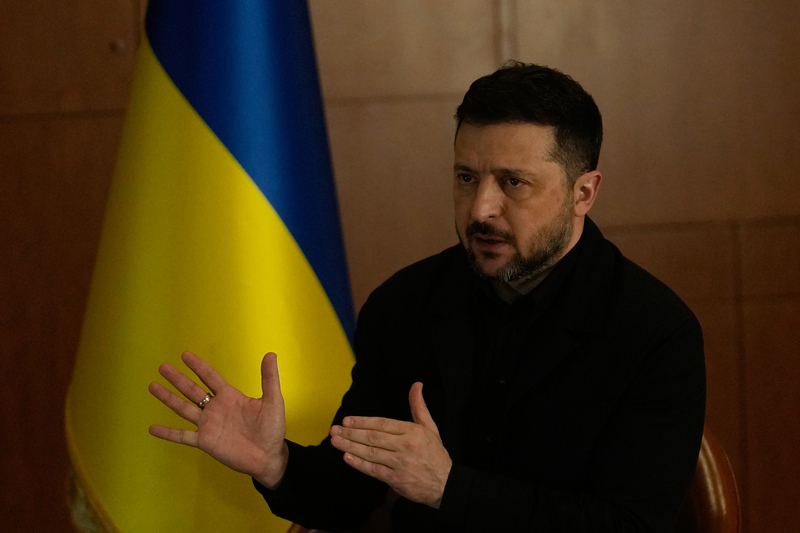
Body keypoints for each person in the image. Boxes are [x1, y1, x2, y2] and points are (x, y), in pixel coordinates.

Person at [149, 62, 705, 533]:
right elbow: (350, 492)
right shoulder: (405, 304)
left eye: (513, 182)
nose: (481, 209)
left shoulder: (655, 332)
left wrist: (450, 489)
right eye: (466, 178)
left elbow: (631, 525)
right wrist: (277, 464)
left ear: (584, 193)